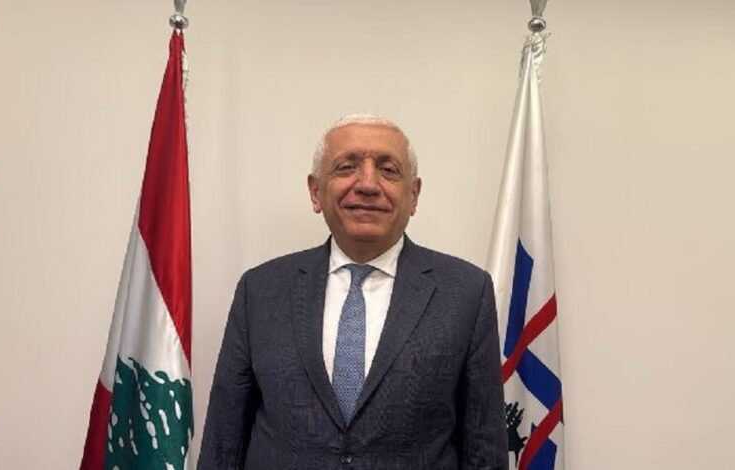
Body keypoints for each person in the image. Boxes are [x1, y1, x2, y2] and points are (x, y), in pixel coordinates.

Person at [198, 114, 507, 470]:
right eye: (346, 167)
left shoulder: (466, 293)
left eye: (388, 170)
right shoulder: (260, 290)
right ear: (316, 191)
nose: (368, 184)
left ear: (413, 194)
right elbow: (223, 444)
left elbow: (484, 451)